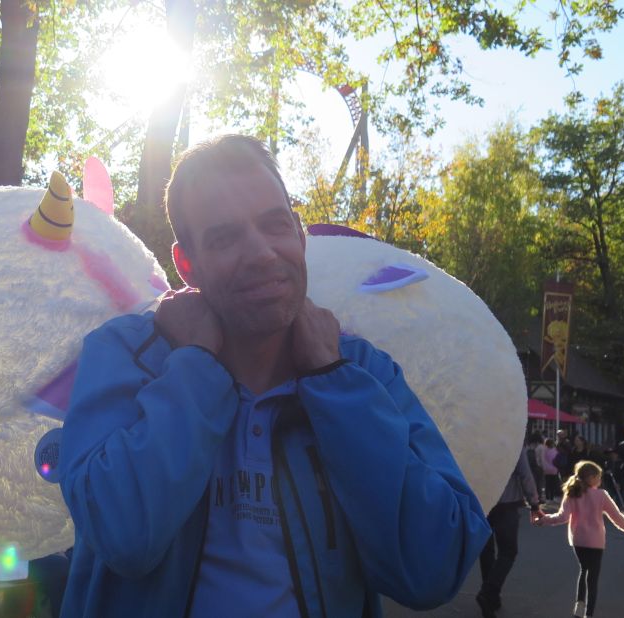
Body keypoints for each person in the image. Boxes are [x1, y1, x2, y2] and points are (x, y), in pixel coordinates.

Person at [56, 134, 491, 617]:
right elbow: (123, 536)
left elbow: (435, 568)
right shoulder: (125, 355)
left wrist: (332, 381)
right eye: (225, 238)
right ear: (187, 265)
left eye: (275, 225)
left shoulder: (364, 372)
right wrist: (196, 366)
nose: (262, 253)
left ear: (300, 237)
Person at [536, 460, 624, 617]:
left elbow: (562, 517)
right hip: (595, 542)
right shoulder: (601, 495)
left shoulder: (572, 493)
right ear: (591, 477)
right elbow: (618, 518)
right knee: (593, 578)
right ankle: (588, 613)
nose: (600, 480)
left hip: (578, 541)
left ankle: (579, 608)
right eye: (598, 476)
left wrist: (544, 519)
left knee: (583, 570)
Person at [475, 444, 542, 617]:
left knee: (486, 551)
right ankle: (488, 592)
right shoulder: (513, 441)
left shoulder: (478, 440)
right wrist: (534, 502)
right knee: (508, 551)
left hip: (481, 502)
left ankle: (491, 597)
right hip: (507, 503)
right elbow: (525, 474)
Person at [542, 437, 563, 503]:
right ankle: (552, 497)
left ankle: (547, 497)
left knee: (547, 484)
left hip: (546, 470)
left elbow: (543, 459)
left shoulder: (544, 451)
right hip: (554, 469)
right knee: (553, 484)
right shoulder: (555, 450)